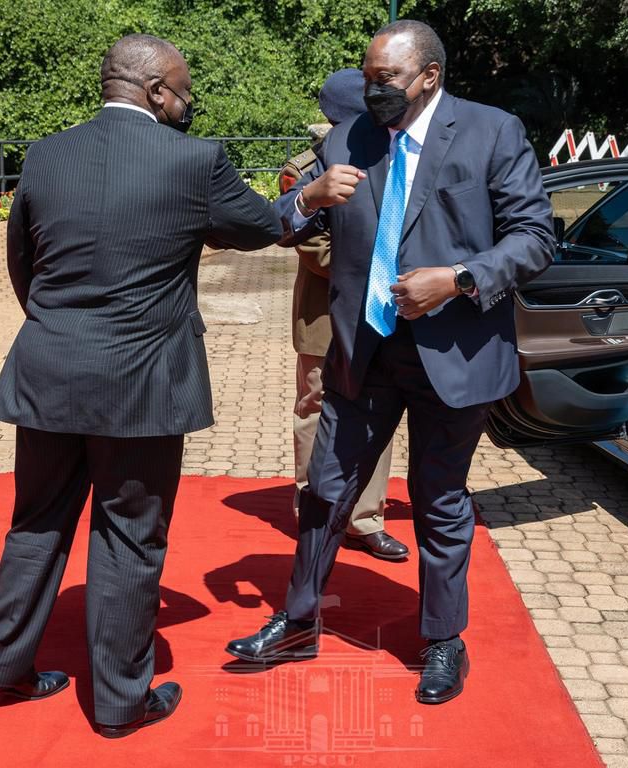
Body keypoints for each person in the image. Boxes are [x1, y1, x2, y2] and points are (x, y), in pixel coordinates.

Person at [227, 20, 554, 705]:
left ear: (428, 77)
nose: (372, 88)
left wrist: (458, 277)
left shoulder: (493, 132)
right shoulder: (350, 137)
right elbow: (281, 224)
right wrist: (305, 200)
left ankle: (442, 642)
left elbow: (535, 238)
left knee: (439, 502)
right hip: (363, 350)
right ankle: (298, 620)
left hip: (451, 353)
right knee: (324, 490)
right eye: (368, 75)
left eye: (386, 79)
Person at [0, 34, 282, 738]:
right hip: (141, 386)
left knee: (36, 523)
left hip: (49, 370)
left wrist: (61, 330)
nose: (190, 102)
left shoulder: (46, 154)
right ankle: (118, 703)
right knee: (130, 540)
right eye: (185, 91)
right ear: (157, 92)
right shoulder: (196, 160)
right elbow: (262, 228)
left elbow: (24, 264)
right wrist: (313, 194)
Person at [282, 68, 408, 562]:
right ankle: (313, 505)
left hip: (379, 314)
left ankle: (364, 519)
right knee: (317, 407)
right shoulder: (305, 169)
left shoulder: (393, 157)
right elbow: (313, 246)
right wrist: (382, 266)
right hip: (325, 317)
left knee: (377, 411)